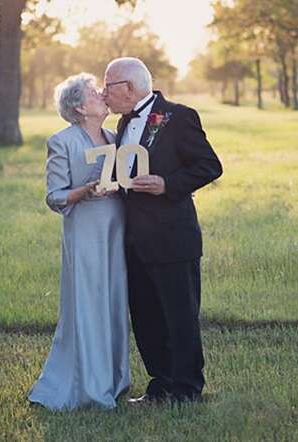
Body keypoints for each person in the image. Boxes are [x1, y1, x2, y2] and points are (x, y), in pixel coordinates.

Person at [102, 57, 222, 404]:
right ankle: (160, 383)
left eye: (108, 85)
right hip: (134, 240)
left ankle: (186, 389)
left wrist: (166, 183)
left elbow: (210, 166)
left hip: (173, 238)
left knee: (180, 316)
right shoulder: (123, 123)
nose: (103, 92)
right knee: (146, 317)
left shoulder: (180, 116)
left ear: (129, 87)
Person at [28, 73, 129, 410]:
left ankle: (114, 379)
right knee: (88, 302)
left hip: (116, 229)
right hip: (85, 230)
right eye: (93, 92)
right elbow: (54, 196)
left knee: (113, 299)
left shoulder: (116, 136)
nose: (101, 93)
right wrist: (84, 191)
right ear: (78, 107)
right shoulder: (62, 141)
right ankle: (88, 385)